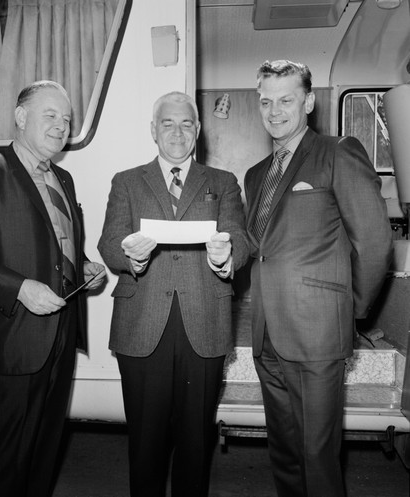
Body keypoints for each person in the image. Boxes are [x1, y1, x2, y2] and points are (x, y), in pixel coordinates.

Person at [0, 80, 106, 497]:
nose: (61, 126)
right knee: (5, 460)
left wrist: (82, 268)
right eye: (50, 115)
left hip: (60, 338)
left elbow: (57, 249)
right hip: (10, 341)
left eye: (66, 119)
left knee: (42, 456)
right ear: (20, 117)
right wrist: (19, 289)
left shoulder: (63, 179)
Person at [244, 60, 393, 497]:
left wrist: (350, 310)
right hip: (267, 332)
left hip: (316, 331)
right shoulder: (256, 176)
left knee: (317, 455)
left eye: (286, 100)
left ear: (308, 101)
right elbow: (262, 249)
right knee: (285, 453)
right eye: (266, 101)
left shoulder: (337, 151)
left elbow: (373, 241)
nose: (275, 111)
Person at [98, 91, 249, 497]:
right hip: (142, 325)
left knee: (196, 442)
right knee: (145, 443)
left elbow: (241, 237)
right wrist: (129, 255)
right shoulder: (126, 181)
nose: (177, 132)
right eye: (168, 123)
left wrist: (227, 254)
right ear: (153, 130)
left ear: (198, 131)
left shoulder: (223, 183)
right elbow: (109, 242)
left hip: (204, 324)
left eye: (186, 124)